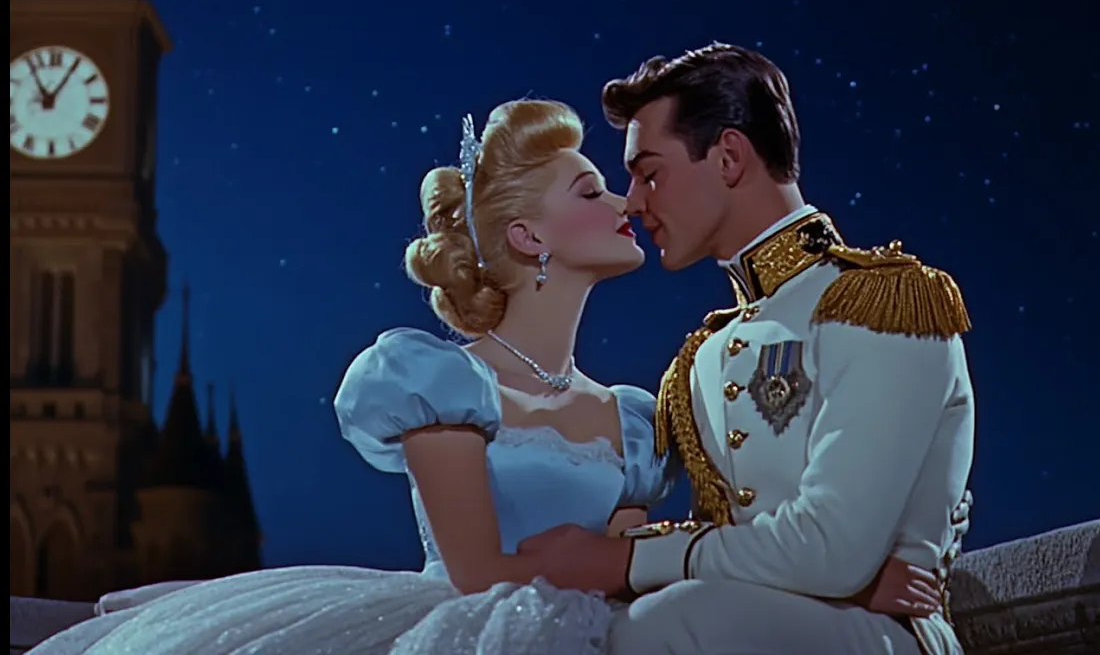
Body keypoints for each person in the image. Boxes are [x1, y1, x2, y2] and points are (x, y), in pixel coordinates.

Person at [27, 99, 941, 655]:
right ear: (528, 236)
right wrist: (609, 564)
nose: (625, 200)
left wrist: (830, 581)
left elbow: (641, 561)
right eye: (590, 190)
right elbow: (481, 576)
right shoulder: (440, 383)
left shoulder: (631, 418)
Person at [514, 44, 978, 655]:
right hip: (760, 620)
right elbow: (763, 555)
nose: (634, 202)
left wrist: (623, 560)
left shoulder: (880, 303)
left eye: (650, 174)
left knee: (668, 623)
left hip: (888, 637)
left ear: (729, 157)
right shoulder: (703, 356)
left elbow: (833, 550)